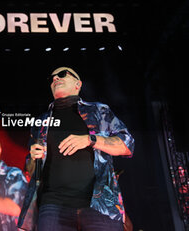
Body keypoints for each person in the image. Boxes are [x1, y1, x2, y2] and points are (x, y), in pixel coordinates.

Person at [18, 67, 135, 231]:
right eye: (52, 78)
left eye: (61, 74)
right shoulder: (41, 121)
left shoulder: (99, 111)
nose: (55, 79)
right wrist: (33, 158)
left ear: (77, 84)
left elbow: (128, 145)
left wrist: (90, 139)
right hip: (52, 206)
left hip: (99, 205)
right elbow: (31, 171)